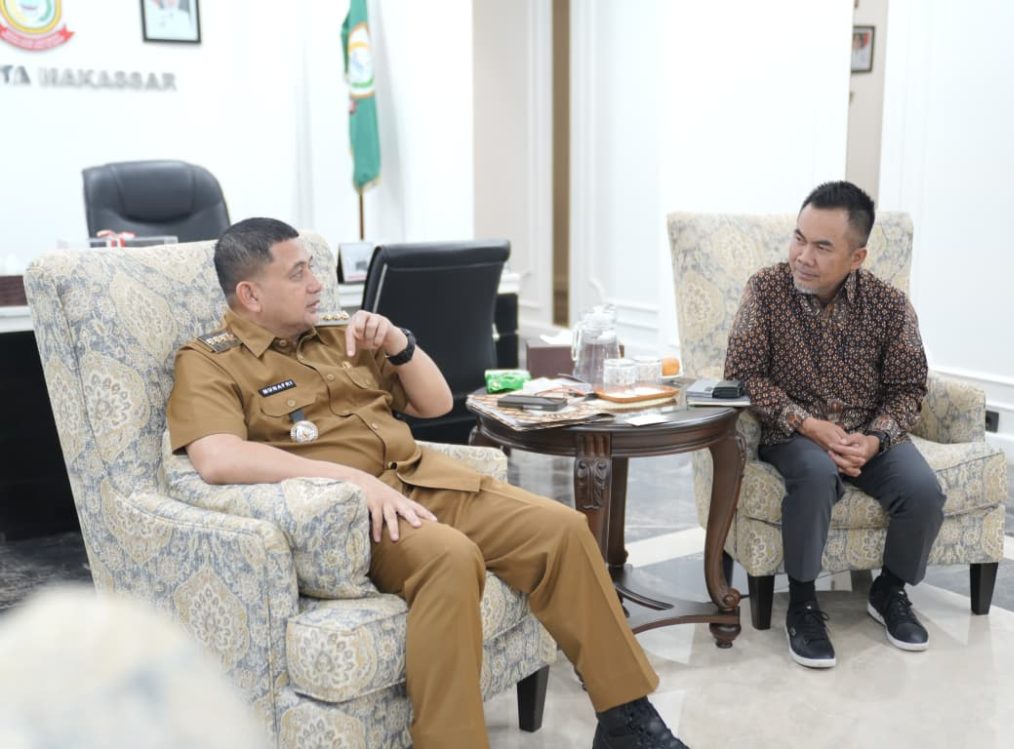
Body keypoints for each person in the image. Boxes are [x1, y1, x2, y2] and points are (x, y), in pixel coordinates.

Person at [165, 218, 688, 749]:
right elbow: (217, 457)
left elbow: (435, 404)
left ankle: (626, 720)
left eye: (313, 268)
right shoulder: (209, 361)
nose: (317, 283)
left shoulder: (335, 335)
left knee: (563, 529)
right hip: (350, 513)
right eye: (298, 273)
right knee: (450, 557)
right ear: (250, 294)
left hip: (423, 479)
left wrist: (397, 342)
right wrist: (351, 480)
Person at [724, 181, 946, 669]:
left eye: (822, 246)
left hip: (868, 434)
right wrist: (806, 424)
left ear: (857, 256)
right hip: (794, 434)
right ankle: (802, 604)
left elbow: (909, 388)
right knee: (816, 476)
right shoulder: (765, 290)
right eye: (799, 238)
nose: (803, 255)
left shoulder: (889, 307)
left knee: (924, 491)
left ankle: (889, 592)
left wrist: (874, 439)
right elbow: (742, 374)